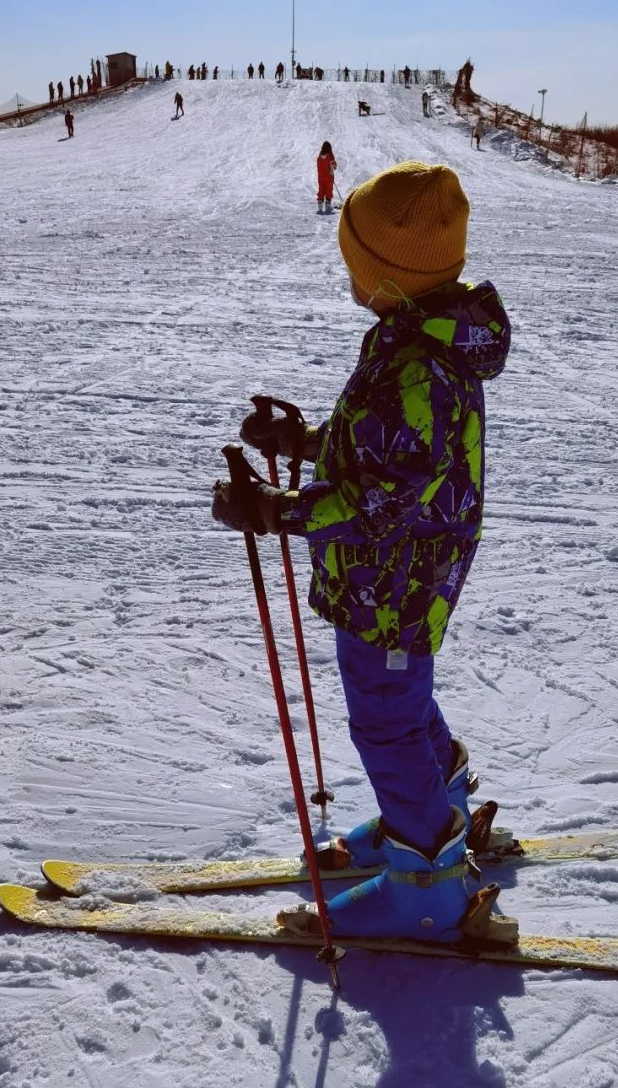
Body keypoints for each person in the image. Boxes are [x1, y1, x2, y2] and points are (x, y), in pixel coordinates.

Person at [212, 161, 512, 943]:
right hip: (401, 572)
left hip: (395, 576)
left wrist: (283, 511)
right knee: (400, 702)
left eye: (356, 264)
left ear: (391, 278)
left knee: (383, 719)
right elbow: (383, 452)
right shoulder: (417, 335)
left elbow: (384, 496)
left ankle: (428, 880)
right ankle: (431, 807)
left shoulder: (418, 365)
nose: (348, 275)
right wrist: (304, 440)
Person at [316, 141, 337, 213]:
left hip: (321, 177)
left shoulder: (319, 157)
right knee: (328, 190)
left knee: (321, 190)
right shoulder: (330, 155)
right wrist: (332, 168)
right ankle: (328, 205)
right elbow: (334, 166)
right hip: (329, 177)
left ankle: (320, 205)